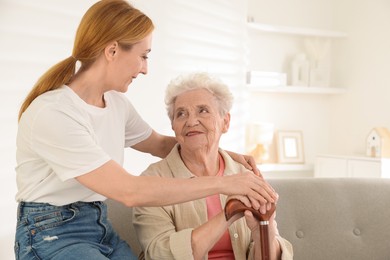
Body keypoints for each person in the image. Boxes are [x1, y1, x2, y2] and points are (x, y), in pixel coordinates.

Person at [14, 1, 277, 259]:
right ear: (113, 50)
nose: (145, 69)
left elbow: (164, 146)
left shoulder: (116, 104)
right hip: (50, 231)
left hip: (98, 226)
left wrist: (227, 156)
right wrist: (225, 184)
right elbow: (131, 191)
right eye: (143, 56)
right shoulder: (55, 112)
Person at [133, 72, 294, 260]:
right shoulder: (152, 181)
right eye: (181, 114)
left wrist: (263, 232)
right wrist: (228, 213)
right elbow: (160, 255)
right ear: (174, 127)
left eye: (203, 110)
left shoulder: (245, 174)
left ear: (225, 122)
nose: (191, 121)